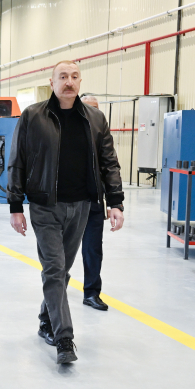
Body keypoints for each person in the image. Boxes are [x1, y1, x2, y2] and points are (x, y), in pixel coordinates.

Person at [7, 62, 124, 364]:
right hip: (44, 205)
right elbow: (17, 160)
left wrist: (115, 201)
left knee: (61, 270)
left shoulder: (95, 119)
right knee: (55, 268)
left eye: (74, 77)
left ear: (80, 82)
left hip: (81, 206)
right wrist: (15, 206)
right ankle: (64, 339)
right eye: (63, 77)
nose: (68, 82)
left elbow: (109, 162)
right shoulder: (33, 116)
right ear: (52, 82)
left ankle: (46, 319)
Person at [79, 94, 109, 311]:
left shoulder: (101, 133)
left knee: (93, 249)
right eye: (89, 108)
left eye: (96, 108)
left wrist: (115, 202)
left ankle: (91, 293)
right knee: (60, 252)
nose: (93, 112)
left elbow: (110, 165)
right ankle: (56, 292)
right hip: (66, 202)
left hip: (93, 201)